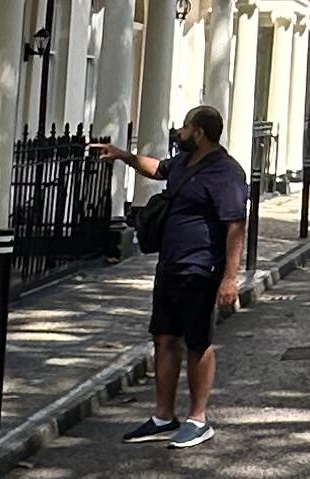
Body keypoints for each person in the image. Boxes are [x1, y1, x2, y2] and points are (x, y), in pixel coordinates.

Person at [96, 105, 250, 450]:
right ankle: (164, 417)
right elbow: (157, 169)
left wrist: (229, 278)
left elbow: (235, 225)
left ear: (200, 133)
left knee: (197, 342)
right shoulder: (184, 162)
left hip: (202, 268)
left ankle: (198, 418)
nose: (178, 134)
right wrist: (123, 156)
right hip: (170, 264)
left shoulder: (225, 173)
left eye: (184, 129)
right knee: (163, 338)